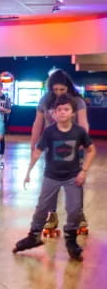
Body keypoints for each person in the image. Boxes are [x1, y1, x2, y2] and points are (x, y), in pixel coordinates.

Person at [13, 95, 96, 260]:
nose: (63, 112)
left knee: (74, 209)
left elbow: (91, 150)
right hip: (51, 176)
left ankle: (71, 240)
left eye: (66, 109)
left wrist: (84, 171)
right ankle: (34, 236)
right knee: (42, 208)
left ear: (72, 113)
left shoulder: (78, 131)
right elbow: (38, 151)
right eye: (59, 110)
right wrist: (28, 171)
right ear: (54, 113)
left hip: (73, 177)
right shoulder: (49, 131)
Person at [30, 69, 90, 234]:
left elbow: (84, 124)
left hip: (73, 147)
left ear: (68, 88)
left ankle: (79, 216)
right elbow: (37, 123)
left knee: (76, 183)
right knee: (51, 183)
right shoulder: (45, 101)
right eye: (55, 90)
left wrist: (81, 145)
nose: (58, 93)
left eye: (62, 90)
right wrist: (33, 145)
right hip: (51, 149)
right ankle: (52, 215)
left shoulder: (77, 101)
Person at [0, 81, 12, 168]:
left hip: (2, 120)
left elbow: (9, 110)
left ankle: (1, 155)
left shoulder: (6, 98)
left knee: (1, 138)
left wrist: (2, 109)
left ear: (1, 87)